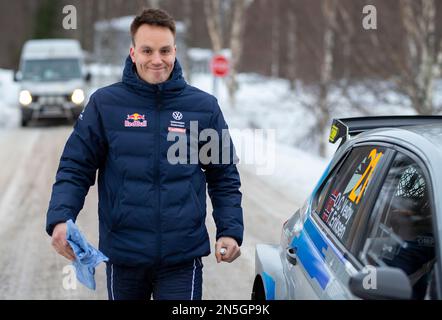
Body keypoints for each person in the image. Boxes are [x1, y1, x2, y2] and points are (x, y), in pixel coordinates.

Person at [46, 8, 243, 300]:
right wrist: (61, 217)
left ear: (175, 50)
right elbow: (75, 167)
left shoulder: (204, 107)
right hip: (124, 255)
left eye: (165, 50)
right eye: (147, 50)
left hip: (181, 258)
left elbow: (223, 175)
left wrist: (229, 230)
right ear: (133, 52)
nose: (157, 59)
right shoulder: (105, 104)